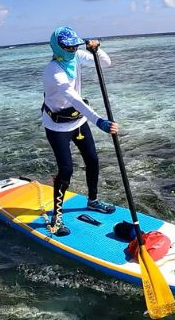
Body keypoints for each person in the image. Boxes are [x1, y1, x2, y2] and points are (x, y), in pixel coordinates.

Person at [42, 26, 118, 236]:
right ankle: (57, 217)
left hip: (78, 121)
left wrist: (97, 49)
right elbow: (73, 98)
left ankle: (92, 200)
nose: (73, 50)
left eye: (76, 45)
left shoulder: (75, 57)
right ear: (58, 47)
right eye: (68, 47)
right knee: (66, 170)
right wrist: (99, 121)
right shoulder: (53, 71)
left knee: (92, 160)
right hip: (57, 126)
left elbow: (105, 63)